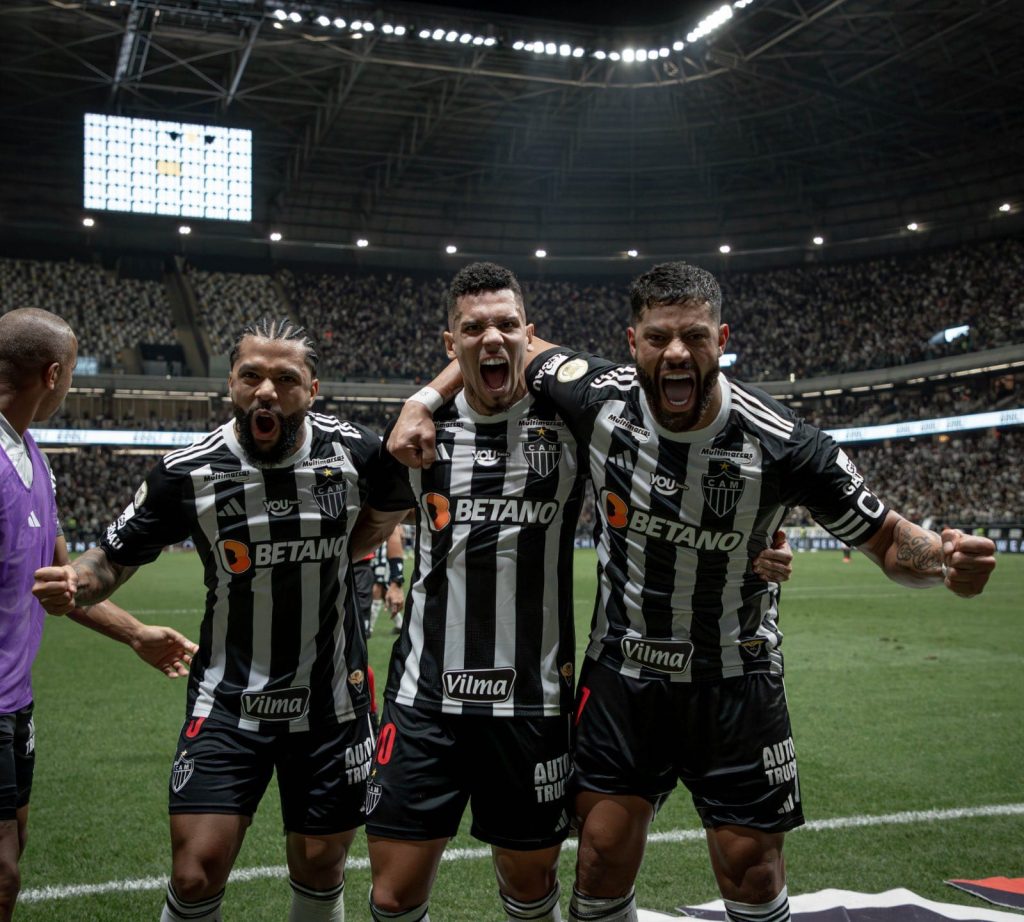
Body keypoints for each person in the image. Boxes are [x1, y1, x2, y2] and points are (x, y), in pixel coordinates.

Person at [387, 261, 997, 922]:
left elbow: (887, 540)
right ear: (633, 343)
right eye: (659, 337)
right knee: (598, 855)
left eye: (694, 336)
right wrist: (421, 400)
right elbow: (499, 342)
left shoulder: (786, 445)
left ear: (720, 339)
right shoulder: (595, 395)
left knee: (753, 870)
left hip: (735, 679)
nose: (676, 351)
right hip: (625, 679)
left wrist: (943, 560)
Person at [352, 262, 793, 922]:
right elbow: (365, 537)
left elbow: (668, 471)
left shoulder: (573, 424)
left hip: (534, 703)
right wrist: (418, 404)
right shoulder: (419, 439)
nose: (491, 338)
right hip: (424, 699)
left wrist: (759, 542)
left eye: (507, 326)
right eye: (472, 329)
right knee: (391, 893)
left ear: (529, 338)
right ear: (451, 344)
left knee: (531, 887)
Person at [33, 318, 383, 922]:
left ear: (312, 390)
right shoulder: (186, 472)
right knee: (195, 873)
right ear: (231, 385)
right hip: (228, 701)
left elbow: (391, 516)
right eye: (252, 376)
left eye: (285, 379)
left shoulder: (355, 453)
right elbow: (111, 559)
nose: (266, 391)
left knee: (322, 862)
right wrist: (78, 581)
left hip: (333, 705)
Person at [1, 307, 197, 922]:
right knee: (2, 871)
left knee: (17, 845)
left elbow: (62, 585)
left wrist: (135, 633)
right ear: (55, 374)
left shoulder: (32, 452)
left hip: (15, 701)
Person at [369, 524, 406, 636]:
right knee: (385, 591)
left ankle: (368, 628)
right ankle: (401, 625)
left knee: (377, 588)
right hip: (377, 554)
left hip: (385, 557)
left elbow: (401, 534)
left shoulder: (393, 515)